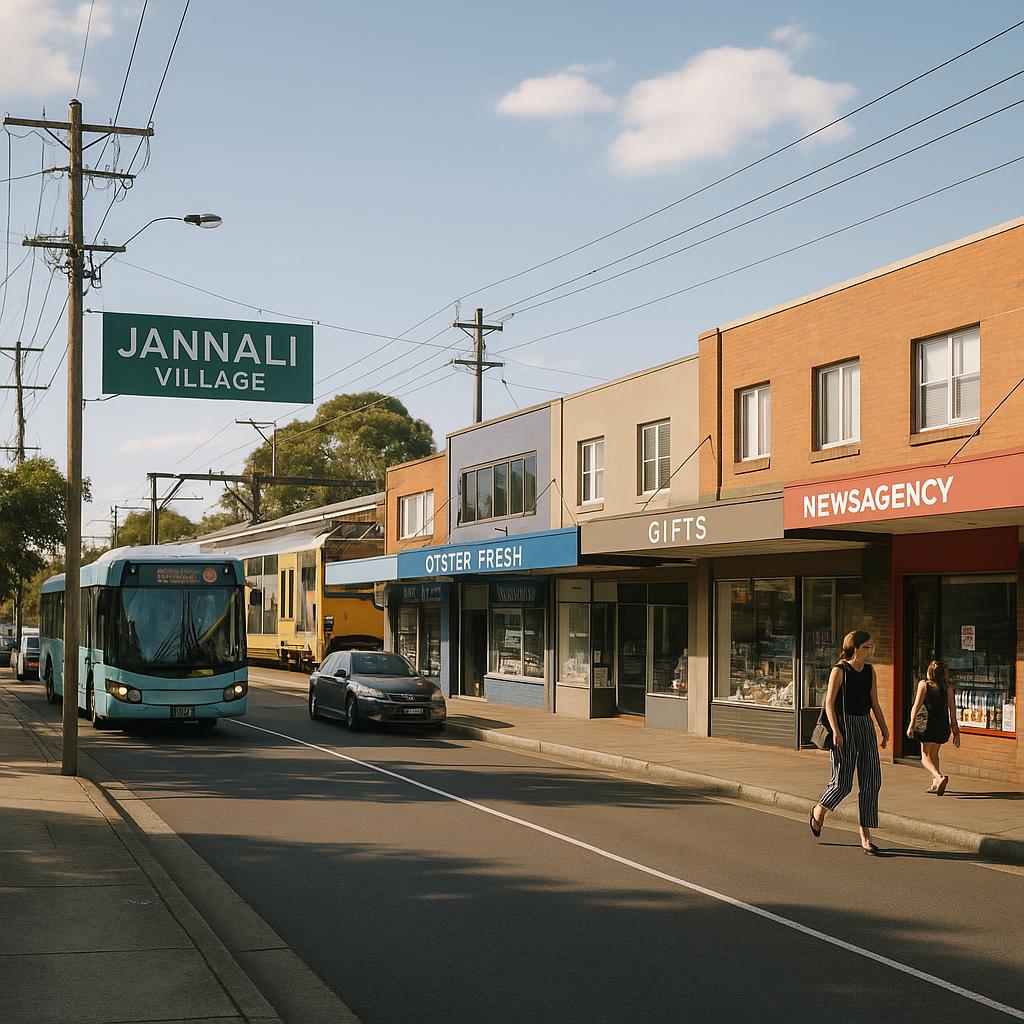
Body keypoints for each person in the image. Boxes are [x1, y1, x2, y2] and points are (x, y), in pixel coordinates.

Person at [809, 629, 890, 854]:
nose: (870, 650)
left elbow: (874, 702)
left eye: (871, 647)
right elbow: (829, 704)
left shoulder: (870, 671)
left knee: (871, 781)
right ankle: (819, 811)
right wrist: (836, 730)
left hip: (865, 726)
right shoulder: (840, 670)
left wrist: (884, 729)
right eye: (867, 647)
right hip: (844, 727)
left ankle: (865, 837)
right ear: (855, 647)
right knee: (842, 783)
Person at [906, 660, 959, 795]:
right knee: (934, 754)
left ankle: (938, 776)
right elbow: (952, 708)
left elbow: (916, 707)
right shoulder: (948, 687)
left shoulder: (924, 685)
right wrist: (955, 728)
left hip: (927, 725)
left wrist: (911, 725)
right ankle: (935, 784)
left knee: (924, 757)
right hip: (942, 725)